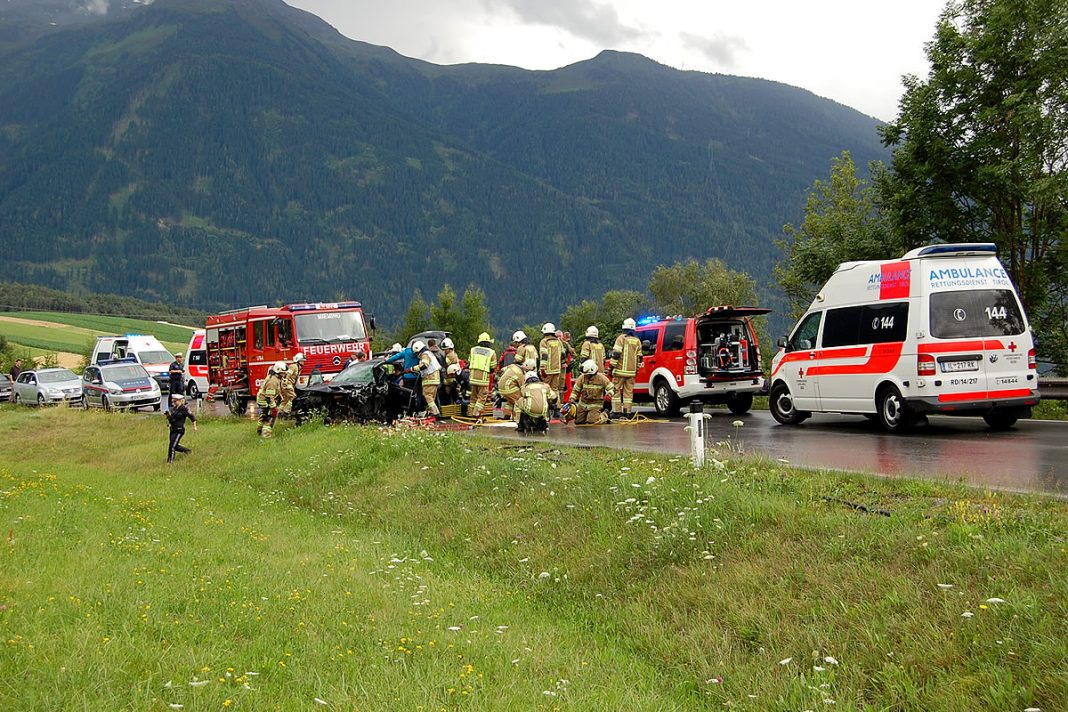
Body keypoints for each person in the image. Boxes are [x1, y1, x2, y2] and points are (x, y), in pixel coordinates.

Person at [611, 318, 643, 419]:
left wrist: (611, 366)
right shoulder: (637, 341)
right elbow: (640, 357)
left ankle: (616, 412)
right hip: (631, 373)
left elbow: (616, 354)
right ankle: (627, 413)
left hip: (619, 372)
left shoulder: (621, 338)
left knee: (615, 391)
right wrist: (636, 370)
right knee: (628, 393)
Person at [567, 359, 615, 425]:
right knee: (578, 422)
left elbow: (613, 388)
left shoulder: (601, 378)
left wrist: (610, 394)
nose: (585, 376)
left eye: (587, 374)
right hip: (583, 404)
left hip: (596, 404)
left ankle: (605, 415)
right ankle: (587, 416)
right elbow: (575, 390)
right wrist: (572, 398)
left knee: (592, 421)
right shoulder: (581, 378)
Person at [467, 332, 497, 421]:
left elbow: (469, 361)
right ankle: (475, 414)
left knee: (473, 397)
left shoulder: (473, 350)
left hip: (472, 378)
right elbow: (493, 367)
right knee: (482, 397)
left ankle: (470, 413)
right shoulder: (491, 352)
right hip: (483, 379)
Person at [538, 323, 564, 418]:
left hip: (547, 371)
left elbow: (544, 355)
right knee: (555, 390)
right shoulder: (558, 341)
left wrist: (542, 368)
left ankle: (545, 410)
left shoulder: (544, 341)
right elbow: (563, 355)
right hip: (557, 370)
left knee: (544, 390)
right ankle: (557, 410)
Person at [411, 340, 441, 418]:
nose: (417, 355)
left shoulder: (425, 354)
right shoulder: (429, 353)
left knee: (427, 396)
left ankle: (436, 413)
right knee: (431, 398)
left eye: (417, 353)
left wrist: (413, 368)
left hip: (430, 378)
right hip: (435, 377)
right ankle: (431, 413)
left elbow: (424, 365)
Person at [256, 361, 285, 437]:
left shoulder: (275, 378)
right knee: (269, 418)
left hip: (263, 399)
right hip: (265, 401)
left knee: (263, 416)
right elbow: (269, 397)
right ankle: (266, 435)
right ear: (278, 371)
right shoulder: (273, 381)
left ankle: (259, 432)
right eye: (283, 372)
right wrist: (273, 407)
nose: (284, 374)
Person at [166, 392, 197, 463]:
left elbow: (192, 417)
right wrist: (168, 416)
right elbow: (173, 420)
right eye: (173, 401)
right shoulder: (174, 409)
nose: (173, 403)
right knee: (174, 445)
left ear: (180, 400)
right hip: (173, 429)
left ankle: (170, 462)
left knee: (172, 446)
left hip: (179, 430)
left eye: (175, 401)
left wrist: (194, 426)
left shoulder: (184, 409)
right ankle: (187, 451)